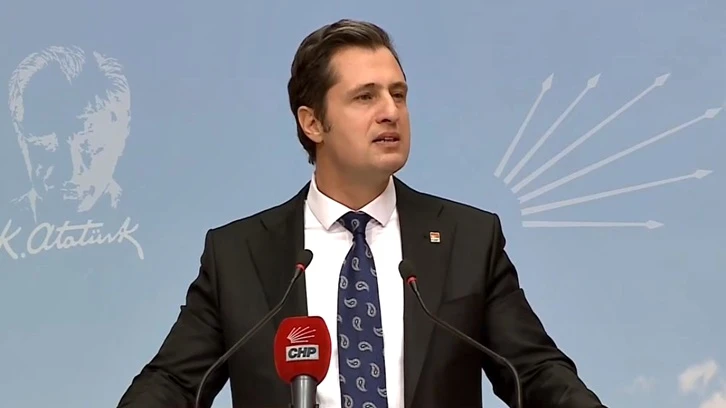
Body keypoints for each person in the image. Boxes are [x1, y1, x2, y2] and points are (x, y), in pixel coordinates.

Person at [117, 19, 606, 408]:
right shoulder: (239, 254)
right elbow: (173, 384)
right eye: (365, 96)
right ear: (313, 123)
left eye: (399, 94)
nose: (390, 110)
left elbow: (535, 373)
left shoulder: (468, 238)